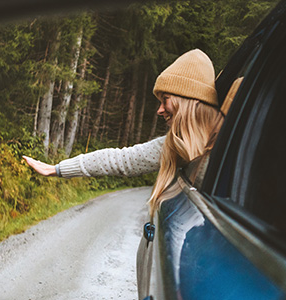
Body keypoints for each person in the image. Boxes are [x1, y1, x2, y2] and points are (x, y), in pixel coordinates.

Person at [23, 49, 224, 216]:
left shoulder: (226, 145)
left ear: (187, 100)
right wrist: (57, 169)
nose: (160, 110)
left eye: (166, 99)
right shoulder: (173, 145)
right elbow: (120, 160)